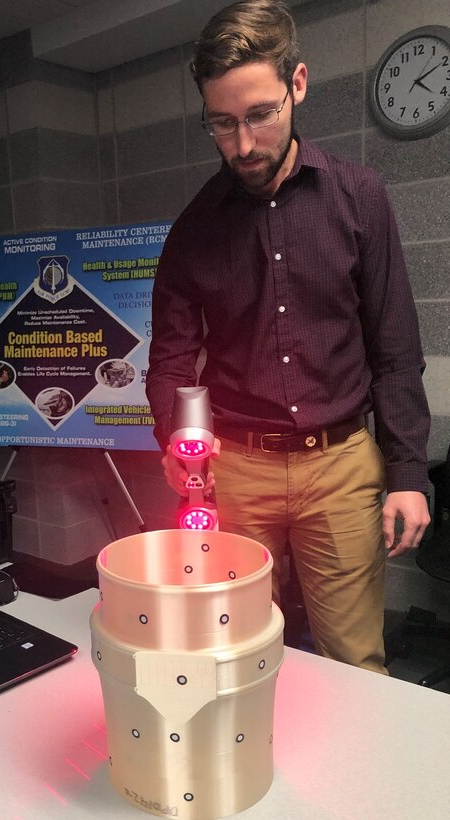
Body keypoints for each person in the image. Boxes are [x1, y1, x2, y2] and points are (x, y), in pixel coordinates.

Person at [145, 0, 431, 675]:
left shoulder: (360, 197)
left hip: (341, 466)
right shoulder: (193, 229)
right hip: (236, 470)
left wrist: (408, 472)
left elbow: (395, 349)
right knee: (234, 653)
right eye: (221, 123)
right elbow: (170, 360)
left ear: (296, 85)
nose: (243, 144)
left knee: (355, 662)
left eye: (259, 115)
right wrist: (173, 438)